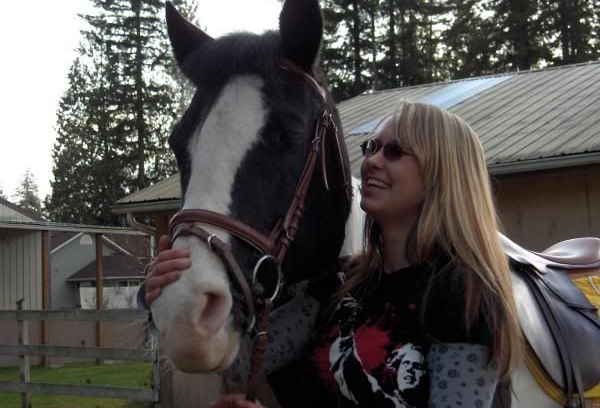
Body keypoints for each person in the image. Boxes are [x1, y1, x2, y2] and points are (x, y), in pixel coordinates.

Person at [142, 100, 521, 408]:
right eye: (371, 147)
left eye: (394, 151)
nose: (372, 161)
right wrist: (168, 294)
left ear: (443, 173)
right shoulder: (338, 283)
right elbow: (238, 364)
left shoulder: (462, 293)